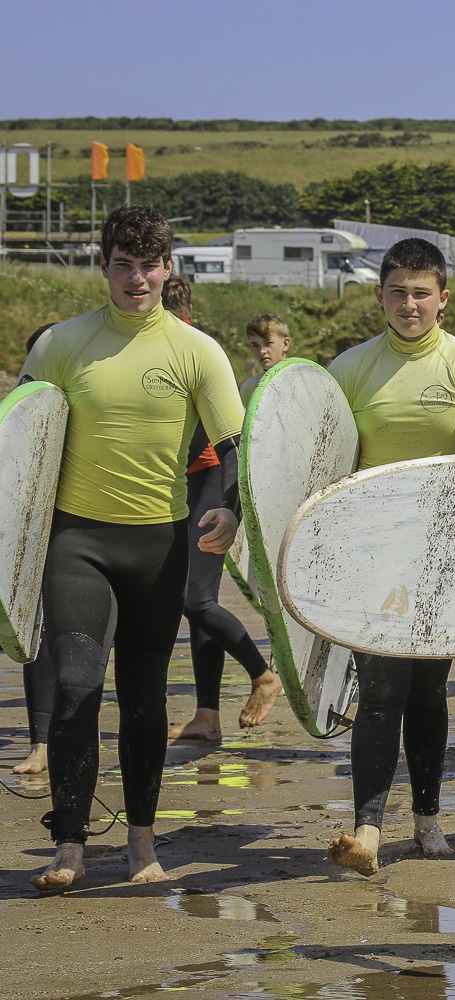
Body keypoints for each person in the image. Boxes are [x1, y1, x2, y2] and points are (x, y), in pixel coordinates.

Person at [20, 205, 245, 888]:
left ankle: (142, 845)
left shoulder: (196, 350)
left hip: (157, 544)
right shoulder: (61, 343)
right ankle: (69, 845)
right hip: (77, 540)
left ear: (168, 268)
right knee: (77, 690)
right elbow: (21, 447)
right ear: (103, 267)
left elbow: (234, 446)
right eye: (123, 264)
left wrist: (230, 512)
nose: (136, 277)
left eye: (149, 264)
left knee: (145, 698)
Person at [325, 238, 455, 877]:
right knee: (379, 691)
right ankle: (367, 831)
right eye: (397, 291)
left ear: (443, 299)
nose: (409, 303)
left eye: (421, 292)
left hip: (442, 557)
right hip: (371, 557)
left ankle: (427, 820)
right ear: (379, 295)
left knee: (428, 691)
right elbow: (323, 469)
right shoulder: (348, 369)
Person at [158, 280, 282, 743]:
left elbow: (221, 439)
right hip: (182, 484)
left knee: (196, 599)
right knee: (196, 603)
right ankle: (207, 717)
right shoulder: (167, 343)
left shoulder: (193, 350)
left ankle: (262, 673)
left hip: (207, 477)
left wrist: (229, 503)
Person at [12, 323, 60, 776]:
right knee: (38, 635)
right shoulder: (22, 409)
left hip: (86, 527)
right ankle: (41, 743)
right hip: (37, 529)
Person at [240, 314, 292, 405]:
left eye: (268, 343)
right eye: (255, 345)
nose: (262, 351)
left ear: (285, 344)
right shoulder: (249, 387)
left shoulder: (305, 379)